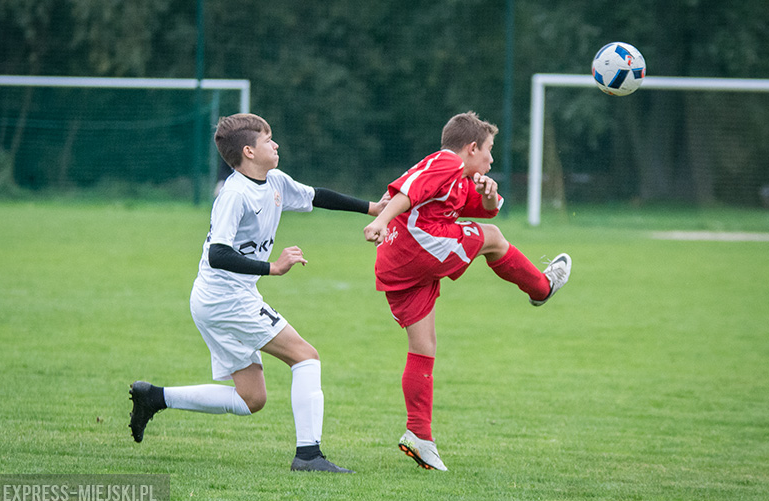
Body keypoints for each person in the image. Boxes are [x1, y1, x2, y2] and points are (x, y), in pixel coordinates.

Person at [130, 113, 388, 473]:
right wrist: (273, 267)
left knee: (251, 399)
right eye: (269, 140)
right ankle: (309, 455)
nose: (276, 144)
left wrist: (375, 209)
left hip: (219, 300)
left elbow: (317, 196)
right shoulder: (234, 194)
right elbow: (218, 254)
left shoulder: (275, 181)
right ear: (249, 151)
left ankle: (154, 397)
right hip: (226, 300)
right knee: (306, 357)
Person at [363, 112, 572, 471]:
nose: (491, 160)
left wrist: (488, 197)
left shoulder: (459, 179)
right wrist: (380, 219)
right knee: (492, 240)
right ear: (471, 147)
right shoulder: (446, 161)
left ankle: (420, 436)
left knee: (423, 347)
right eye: (489, 151)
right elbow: (409, 192)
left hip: (396, 265)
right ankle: (541, 286)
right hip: (419, 247)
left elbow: (485, 211)